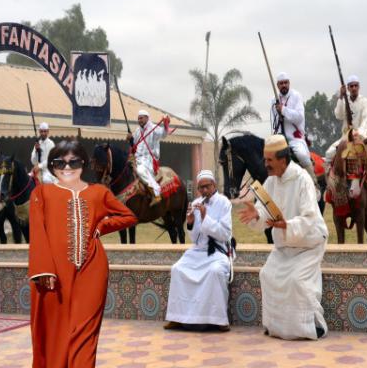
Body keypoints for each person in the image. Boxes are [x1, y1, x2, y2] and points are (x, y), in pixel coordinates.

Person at [28, 140, 137, 368]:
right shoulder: (41, 194)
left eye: (74, 162)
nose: (67, 167)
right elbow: (38, 233)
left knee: (84, 337)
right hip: (51, 275)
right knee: (54, 338)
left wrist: (100, 227)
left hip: (92, 269)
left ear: (83, 164)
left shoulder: (99, 192)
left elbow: (129, 216)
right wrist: (44, 270)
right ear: (52, 166)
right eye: (60, 162)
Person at [239, 134, 328, 340]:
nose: (265, 164)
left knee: (297, 281)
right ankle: (275, 326)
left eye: (269, 160)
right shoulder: (270, 182)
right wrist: (256, 215)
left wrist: (287, 225)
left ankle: (313, 325)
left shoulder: (302, 179)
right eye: (265, 159)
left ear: (283, 159)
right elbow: (264, 211)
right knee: (267, 274)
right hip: (285, 247)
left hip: (308, 244)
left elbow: (310, 217)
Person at [164, 170, 233, 332]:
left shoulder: (224, 203)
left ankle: (219, 319)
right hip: (198, 251)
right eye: (200, 188)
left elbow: (225, 234)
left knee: (215, 271)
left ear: (214, 185)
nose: (203, 191)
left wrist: (205, 218)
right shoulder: (196, 202)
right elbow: (195, 239)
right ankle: (177, 317)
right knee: (177, 269)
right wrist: (190, 222)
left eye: (206, 187)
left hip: (217, 251)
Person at [325, 75, 367, 196]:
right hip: (346, 136)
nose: (353, 88)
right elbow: (338, 115)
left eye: (355, 86)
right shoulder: (344, 100)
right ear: (347, 88)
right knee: (329, 153)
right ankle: (330, 182)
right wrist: (341, 98)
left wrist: (358, 134)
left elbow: (365, 120)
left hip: (363, 135)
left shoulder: (365, 101)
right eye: (351, 86)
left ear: (359, 87)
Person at [270, 72, 319, 188]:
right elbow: (273, 122)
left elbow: (299, 117)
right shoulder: (274, 100)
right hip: (280, 139)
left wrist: (283, 110)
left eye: (285, 83)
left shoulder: (296, 96)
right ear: (277, 85)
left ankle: (314, 183)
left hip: (295, 138)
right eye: (281, 83)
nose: (284, 85)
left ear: (289, 83)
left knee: (301, 155)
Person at [126, 109, 170, 206]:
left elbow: (164, 134)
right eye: (138, 118)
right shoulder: (138, 131)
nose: (139, 120)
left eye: (141, 118)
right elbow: (134, 145)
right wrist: (130, 139)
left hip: (149, 159)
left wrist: (166, 123)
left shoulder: (154, 128)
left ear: (147, 118)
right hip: (137, 158)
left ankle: (156, 192)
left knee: (140, 171)